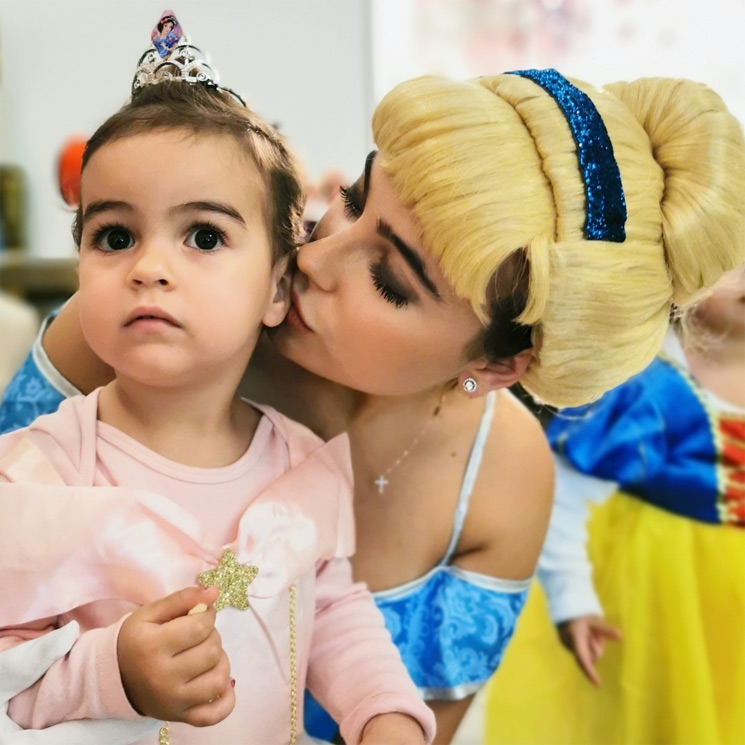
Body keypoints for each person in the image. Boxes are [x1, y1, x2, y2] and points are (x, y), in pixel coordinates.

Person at [2, 63, 745, 742]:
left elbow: (369, 666)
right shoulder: (146, 330)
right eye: (352, 198)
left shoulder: (499, 481)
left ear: (492, 363)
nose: (313, 256)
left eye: (389, 279)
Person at [0, 16, 436, 745]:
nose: (149, 266)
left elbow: (330, 608)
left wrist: (383, 713)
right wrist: (111, 672)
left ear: (275, 289)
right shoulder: (42, 471)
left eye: (203, 236)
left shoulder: (300, 461)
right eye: (114, 236)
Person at [484, 263, 745, 745]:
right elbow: (564, 490)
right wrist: (573, 600)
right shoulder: (649, 381)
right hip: (645, 604)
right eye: (733, 259)